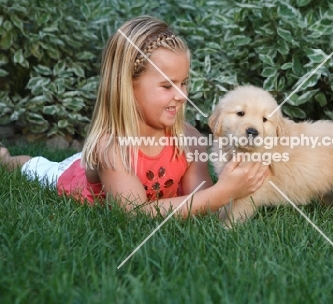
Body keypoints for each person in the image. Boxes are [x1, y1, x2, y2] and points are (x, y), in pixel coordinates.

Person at [0, 15, 268, 218]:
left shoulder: (188, 138)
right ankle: (8, 158)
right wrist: (225, 192)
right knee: (37, 168)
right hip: (72, 176)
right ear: (127, 87)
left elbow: (202, 200)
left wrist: (234, 181)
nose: (181, 95)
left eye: (184, 83)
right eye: (167, 86)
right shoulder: (111, 148)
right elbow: (136, 213)